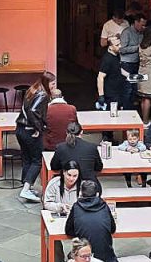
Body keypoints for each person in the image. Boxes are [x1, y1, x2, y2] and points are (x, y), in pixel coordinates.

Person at [16, 73, 55, 202]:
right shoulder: (43, 95)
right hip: (30, 131)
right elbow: (33, 111)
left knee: (27, 158)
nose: (54, 86)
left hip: (20, 129)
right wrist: (38, 128)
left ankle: (26, 186)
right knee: (37, 161)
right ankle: (26, 189)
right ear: (46, 83)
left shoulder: (32, 89)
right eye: (52, 84)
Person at [66, 179, 119, 262]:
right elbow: (112, 229)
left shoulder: (76, 207)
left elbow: (68, 231)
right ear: (97, 194)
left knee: (70, 256)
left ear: (80, 193)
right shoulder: (104, 206)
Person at [52, 121, 103, 185]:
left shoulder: (60, 147)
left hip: (69, 185)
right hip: (89, 187)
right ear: (81, 132)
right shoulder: (92, 147)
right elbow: (99, 167)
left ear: (66, 132)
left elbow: (54, 167)